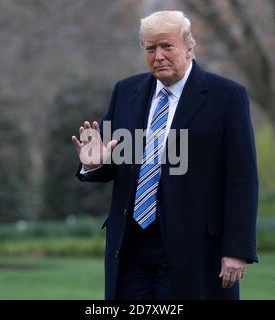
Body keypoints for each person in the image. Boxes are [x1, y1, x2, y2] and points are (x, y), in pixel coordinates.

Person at [71, 10, 258, 300]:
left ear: (189, 48)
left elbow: (242, 179)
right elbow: (117, 164)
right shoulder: (125, 91)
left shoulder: (227, 97)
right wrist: (93, 164)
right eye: (150, 48)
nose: (158, 56)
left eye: (167, 46)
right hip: (130, 246)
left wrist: (236, 249)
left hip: (193, 247)